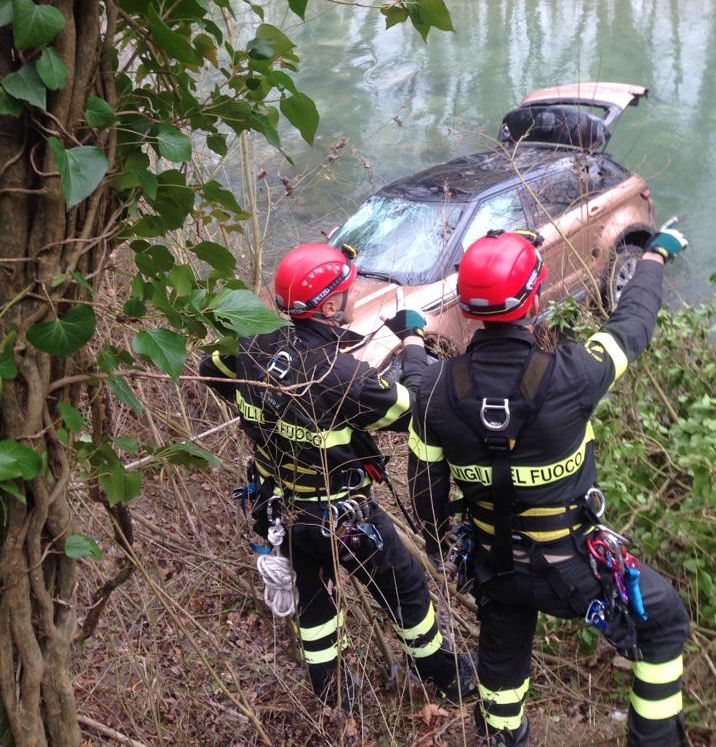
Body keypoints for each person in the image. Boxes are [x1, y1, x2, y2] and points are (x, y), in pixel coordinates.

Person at [408, 224, 691, 746]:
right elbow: (632, 324)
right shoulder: (573, 373)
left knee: (501, 664)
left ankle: (504, 737)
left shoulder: (433, 389)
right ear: (534, 298)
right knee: (665, 621)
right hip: (573, 568)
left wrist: (438, 543)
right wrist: (653, 257)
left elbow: (426, 492)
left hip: (493, 563)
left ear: (467, 309)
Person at [200, 241, 475, 710]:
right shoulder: (342, 375)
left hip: (281, 509)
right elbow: (417, 407)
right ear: (328, 306)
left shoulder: (253, 344)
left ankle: (333, 697)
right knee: (405, 586)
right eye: (349, 289)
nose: (355, 293)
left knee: (315, 604)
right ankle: (442, 673)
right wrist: (412, 342)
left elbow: (211, 367)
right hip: (343, 518)